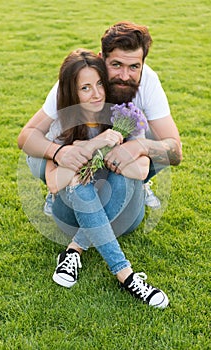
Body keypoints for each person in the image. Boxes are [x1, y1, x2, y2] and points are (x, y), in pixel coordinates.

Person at [18, 21, 183, 308]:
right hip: (70, 171)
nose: (124, 75)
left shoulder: (139, 95)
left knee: (154, 146)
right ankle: (127, 276)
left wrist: (138, 146)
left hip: (116, 174)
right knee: (63, 170)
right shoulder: (73, 83)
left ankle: (74, 250)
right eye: (116, 65)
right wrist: (62, 153)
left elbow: (173, 152)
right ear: (101, 59)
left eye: (134, 67)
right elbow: (27, 137)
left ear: (143, 64)